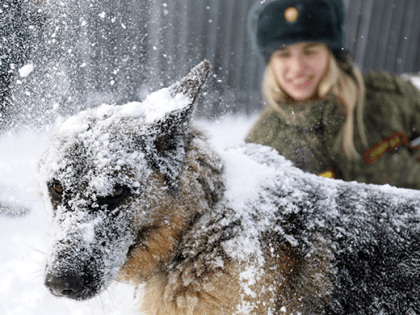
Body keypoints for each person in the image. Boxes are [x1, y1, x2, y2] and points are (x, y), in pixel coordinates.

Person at [245, 0, 420, 190]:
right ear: (271, 63)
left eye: (310, 50)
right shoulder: (262, 145)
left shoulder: (391, 97)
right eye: (283, 54)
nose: (297, 68)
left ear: (331, 53)